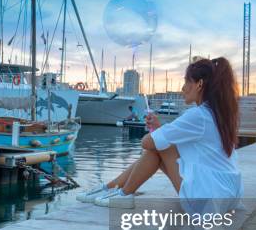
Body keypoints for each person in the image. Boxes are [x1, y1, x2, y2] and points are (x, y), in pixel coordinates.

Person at [77, 57, 243, 211]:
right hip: (228, 193)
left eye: (186, 82)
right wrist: (159, 129)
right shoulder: (216, 113)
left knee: (155, 149)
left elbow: (147, 143)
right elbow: (179, 143)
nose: (183, 88)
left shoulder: (199, 114)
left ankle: (122, 193)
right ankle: (112, 188)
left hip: (209, 199)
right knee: (160, 145)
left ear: (199, 84)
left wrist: (157, 133)